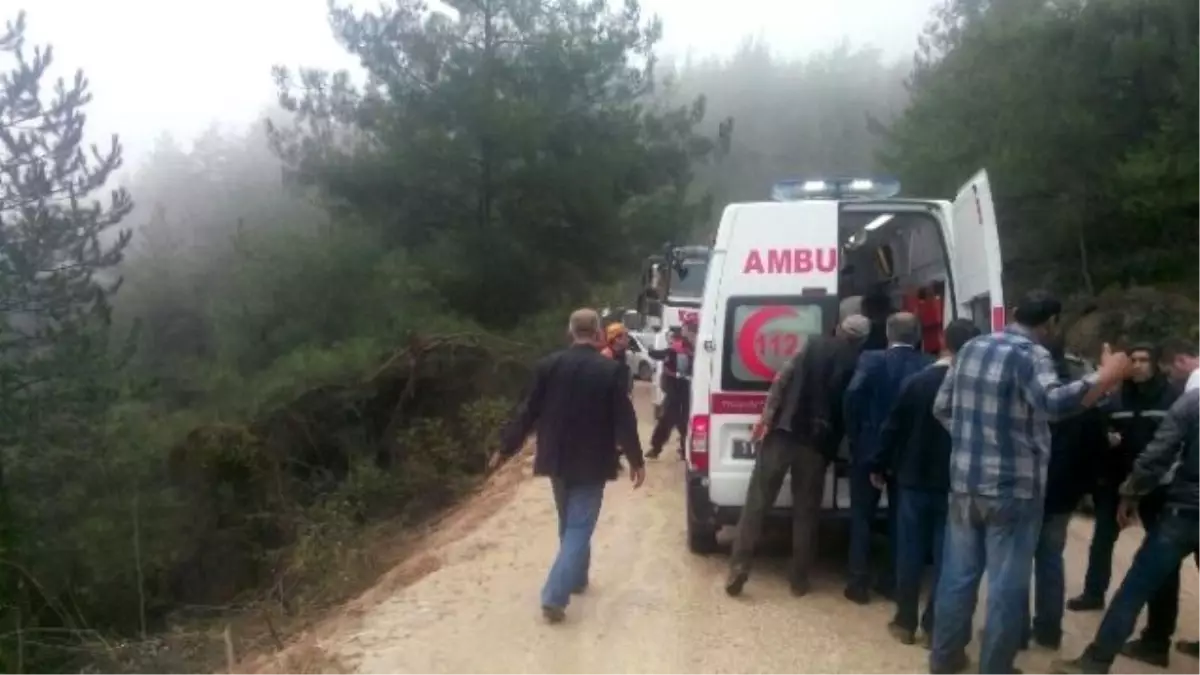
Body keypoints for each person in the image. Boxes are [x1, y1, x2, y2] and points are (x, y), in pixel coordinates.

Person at [928, 291, 1129, 675]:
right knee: (1006, 586)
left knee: (958, 576)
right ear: (1050, 323)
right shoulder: (1032, 355)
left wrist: (975, 440)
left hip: (966, 484)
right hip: (1014, 490)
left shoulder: (970, 348)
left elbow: (941, 407)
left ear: (1015, 314)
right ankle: (996, 669)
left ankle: (945, 658)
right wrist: (1103, 377)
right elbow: (1054, 404)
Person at [490, 308, 646, 624]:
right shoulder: (610, 371)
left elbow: (527, 412)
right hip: (592, 461)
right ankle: (554, 595)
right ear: (599, 333)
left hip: (557, 459)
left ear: (570, 331)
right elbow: (624, 419)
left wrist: (505, 448)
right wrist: (635, 459)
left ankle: (576, 577)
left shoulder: (548, 366)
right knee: (578, 526)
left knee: (569, 522)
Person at [1051, 387, 1200, 675]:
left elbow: (1159, 452)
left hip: (1184, 512)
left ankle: (1095, 662)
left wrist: (1131, 492)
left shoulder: (1193, 402)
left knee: (1136, 586)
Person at [725, 314, 870, 598]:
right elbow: (851, 405)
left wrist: (766, 418)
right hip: (816, 445)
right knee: (806, 512)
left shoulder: (811, 345)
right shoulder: (858, 363)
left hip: (784, 431)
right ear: (862, 340)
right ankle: (799, 579)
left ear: (839, 328)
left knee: (757, 502)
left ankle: (739, 568)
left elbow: (782, 379)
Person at [869, 318, 980, 646]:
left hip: (913, 480)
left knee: (909, 552)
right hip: (954, 484)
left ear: (943, 341)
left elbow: (893, 428)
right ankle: (935, 626)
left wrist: (878, 464)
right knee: (948, 558)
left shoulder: (917, 383)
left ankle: (904, 621)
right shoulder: (973, 387)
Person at [1071, 344, 1179, 617]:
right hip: (1116, 481)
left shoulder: (1172, 399)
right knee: (1102, 540)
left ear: (1155, 364)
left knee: (1161, 550)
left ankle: (1158, 620)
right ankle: (1093, 594)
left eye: (1145, 360)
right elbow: (1096, 426)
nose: (1139, 365)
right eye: (1134, 360)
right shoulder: (1116, 400)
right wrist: (1107, 437)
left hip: (1157, 484)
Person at [843, 312, 932, 604]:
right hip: (908, 455)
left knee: (862, 517)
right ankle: (892, 583)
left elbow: (852, 398)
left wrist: (856, 438)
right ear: (917, 336)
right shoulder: (926, 365)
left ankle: (858, 584)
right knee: (900, 521)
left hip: (869, 450)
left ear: (888, 335)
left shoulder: (871, 359)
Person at [1027, 344, 1108, 650]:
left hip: (1027, 492)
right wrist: (1078, 490)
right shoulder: (1085, 405)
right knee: (1050, 562)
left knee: (1015, 563)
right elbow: (1096, 453)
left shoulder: (1028, 397)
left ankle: (1014, 632)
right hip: (1061, 498)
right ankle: (1049, 632)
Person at [647, 315, 696, 459]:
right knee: (667, 418)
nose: (692, 331)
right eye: (690, 328)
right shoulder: (676, 347)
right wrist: (650, 350)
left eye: (695, 328)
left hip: (690, 389)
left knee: (687, 420)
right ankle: (656, 448)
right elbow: (659, 355)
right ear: (684, 329)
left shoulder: (702, 346)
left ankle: (685, 449)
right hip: (674, 388)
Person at [601, 322, 634, 395]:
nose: (629, 339)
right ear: (617, 339)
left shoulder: (624, 355)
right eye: (626, 336)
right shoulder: (606, 356)